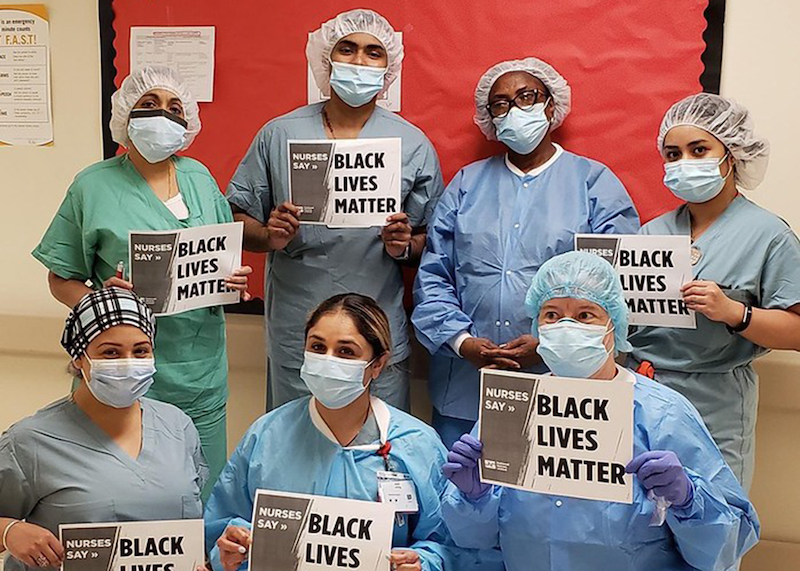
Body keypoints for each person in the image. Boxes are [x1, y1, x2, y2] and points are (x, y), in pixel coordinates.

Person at [441, 251, 759, 571]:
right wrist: (472, 498)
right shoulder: (513, 409)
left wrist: (690, 499)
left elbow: (723, 550)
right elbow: (474, 542)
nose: (566, 326)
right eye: (551, 315)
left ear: (614, 325)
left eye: (585, 315)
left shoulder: (663, 415)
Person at [32, 66, 251, 495]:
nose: (162, 116)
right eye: (148, 105)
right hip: (118, 370)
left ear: (188, 122)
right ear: (124, 117)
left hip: (200, 371)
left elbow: (224, 253)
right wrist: (99, 299)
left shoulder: (199, 178)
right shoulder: (92, 186)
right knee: (116, 492)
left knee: (196, 492)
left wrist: (233, 278)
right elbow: (61, 278)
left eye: (174, 108)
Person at [412, 57, 640, 447]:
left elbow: (617, 286)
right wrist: (462, 342)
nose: (514, 110)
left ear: (551, 106)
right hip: (466, 387)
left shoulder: (593, 184)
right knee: (463, 492)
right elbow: (434, 276)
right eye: (501, 103)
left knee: (549, 498)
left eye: (526, 97)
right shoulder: (467, 184)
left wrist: (550, 341)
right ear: (490, 118)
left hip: (566, 384)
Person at [226, 9, 444, 411]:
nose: (359, 62)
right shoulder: (280, 135)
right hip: (299, 325)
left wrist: (402, 245)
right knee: (294, 449)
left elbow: (433, 241)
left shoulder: (411, 144)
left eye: (373, 52)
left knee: (377, 453)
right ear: (326, 59)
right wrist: (268, 235)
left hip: (375, 326)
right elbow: (236, 219)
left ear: (389, 66)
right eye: (347, 49)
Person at [204, 294, 496, 571]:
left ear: (378, 365)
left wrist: (423, 561)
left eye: (346, 351)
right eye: (318, 347)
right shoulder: (267, 436)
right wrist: (227, 552)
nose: (328, 360)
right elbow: (222, 524)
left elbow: (451, 542)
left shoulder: (416, 445)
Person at [628, 93, 800, 491]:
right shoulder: (650, 234)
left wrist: (735, 313)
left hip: (715, 405)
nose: (684, 163)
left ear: (732, 154)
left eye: (699, 149)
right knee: (644, 527)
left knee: (712, 524)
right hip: (645, 394)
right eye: (673, 154)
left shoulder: (768, 235)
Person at [0, 288, 208, 571]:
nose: (128, 363)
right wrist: (9, 532)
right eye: (110, 352)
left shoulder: (177, 427)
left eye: (140, 351)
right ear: (78, 358)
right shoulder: (30, 442)